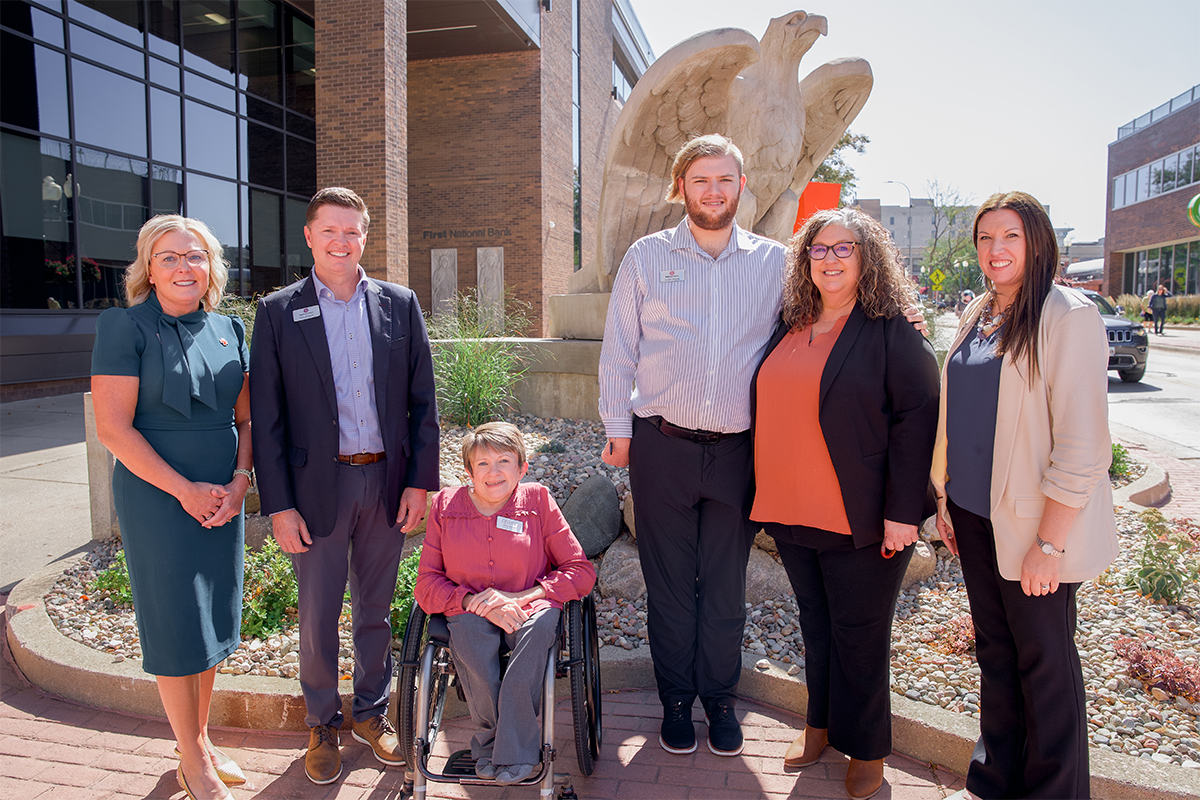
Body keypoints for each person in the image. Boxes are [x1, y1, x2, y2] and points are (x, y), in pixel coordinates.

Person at [598, 134, 926, 758]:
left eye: (725, 179)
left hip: (740, 454)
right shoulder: (645, 258)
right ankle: (675, 702)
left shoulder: (779, 262)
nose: (713, 191)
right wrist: (617, 428)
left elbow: (834, 310)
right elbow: (619, 352)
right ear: (681, 188)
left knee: (724, 587)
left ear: (741, 186)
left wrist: (899, 320)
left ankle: (719, 701)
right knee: (668, 585)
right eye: (700, 180)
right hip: (660, 446)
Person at [250, 187, 440, 785]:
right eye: (329, 231)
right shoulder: (279, 312)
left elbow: (422, 403)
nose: (341, 241)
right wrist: (278, 504)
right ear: (309, 236)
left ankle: (371, 712)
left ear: (365, 237)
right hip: (316, 490)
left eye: (352, 231)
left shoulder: (399, 304)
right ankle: (321, 722)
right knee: (317, 615)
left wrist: (420, 483)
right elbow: (268, 418)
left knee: (376, 610)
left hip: (384, 483)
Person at [933, 191, 1119, 800]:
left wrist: (1050, 542)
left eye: (1010, 235)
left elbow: (1085, 445)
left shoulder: (1066, 316)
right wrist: (944, 499)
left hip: (1035, 528)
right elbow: (959, 413)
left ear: (1037, 242)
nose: (996, 249)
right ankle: (995, 781)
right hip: (975, 514)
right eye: (986, 238)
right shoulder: (979, 312)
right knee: (996, 654)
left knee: (1046, 668)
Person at [750, 208, 939, 800]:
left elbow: (918, 418)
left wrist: (904, 511)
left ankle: (869, 749)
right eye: (819, 250)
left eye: (844, 248)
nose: (830, 259)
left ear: (867, 257)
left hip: (859, 515)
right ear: (806, 261)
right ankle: (820, 725)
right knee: (817, 628)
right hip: (789, 507)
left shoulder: (891, 329)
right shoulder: (789, 321)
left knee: (861, 635)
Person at [92, 215, 252, 800]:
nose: (184, 266)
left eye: (196, 255)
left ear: (211, 266)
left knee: (210, 620)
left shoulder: (230, 328)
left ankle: (201, 741)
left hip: (220, 496)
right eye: (169, 257)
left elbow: (247, 418)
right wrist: (185, 490)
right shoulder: (123, 326)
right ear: (148, 269)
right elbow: (113, 429)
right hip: (160, 497)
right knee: (175, 622)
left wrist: (238, 484)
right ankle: (192, 759)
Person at [414, 422, 597, 785]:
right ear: (468, 471)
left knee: (537, 634)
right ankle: (497, 741)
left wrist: (523, 596)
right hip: (469, 608)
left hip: (530, 605)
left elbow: (581, 571)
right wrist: (471, 600)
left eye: (504, 461)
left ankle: (507, 748)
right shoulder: (446, 507)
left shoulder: (538, 501)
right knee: (471, 645)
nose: (493, 473)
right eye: (482, 464)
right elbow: (426, 584)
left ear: (522, 467)